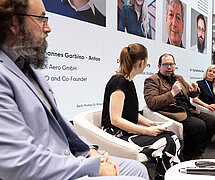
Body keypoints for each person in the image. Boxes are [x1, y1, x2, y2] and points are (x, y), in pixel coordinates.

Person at [0, 0, 147, 179]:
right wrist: (91, 167)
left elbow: (63, 128)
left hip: (70, 156)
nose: (48, 28)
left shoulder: (30, 71)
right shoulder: (3, 76)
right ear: (14, 23)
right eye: (41, 19)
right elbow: (18, 164)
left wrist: (90, 151)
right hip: (49, 169)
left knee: (138, 169)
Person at [101, 44, 181, 180]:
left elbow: (130, 113)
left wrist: (151, 124)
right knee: (167, 141)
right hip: (116, 135)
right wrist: (145, 131)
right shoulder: (118, 83)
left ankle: (165, 175)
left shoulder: (128, 82)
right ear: (141, 62)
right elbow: (115, 120)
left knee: (170, 136)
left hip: (125, 132)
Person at [144, 53, 215, 161]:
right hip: (173, 112)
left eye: (171, 64)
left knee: (213, 121)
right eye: (165, 64)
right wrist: (172, 93)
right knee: (199, 126)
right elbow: (151, 102)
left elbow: (192, 95)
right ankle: (186, 156)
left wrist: (194, 90)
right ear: (159, 66)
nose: (169, 67)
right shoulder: (152, 80)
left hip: (189, 109)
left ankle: (197, 152)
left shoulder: (179, 78)